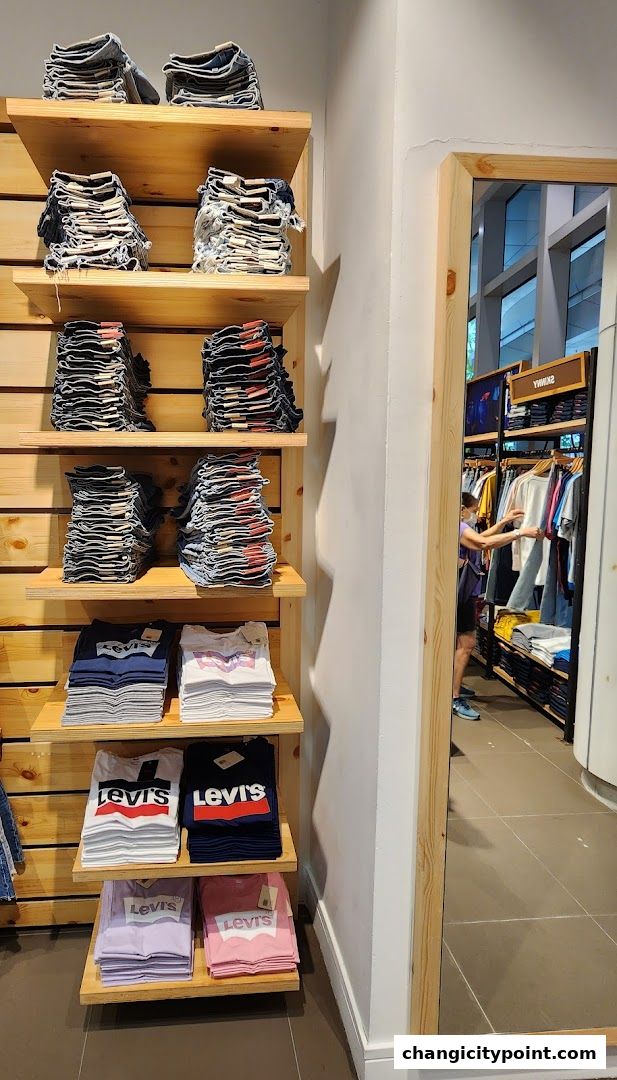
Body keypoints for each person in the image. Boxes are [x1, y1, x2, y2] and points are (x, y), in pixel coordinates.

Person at [453, 491, 543, 721]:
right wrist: (520, 532)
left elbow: (480, 537)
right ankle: (453, 696)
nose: (474, 516)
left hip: (462, 592)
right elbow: (482, 542)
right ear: (462, 508)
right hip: (462, 594)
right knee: (467, 643)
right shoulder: (460, 526)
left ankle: (453, 685)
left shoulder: (460, 525)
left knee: (461, 644)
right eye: (473, 512)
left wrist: (503, 522)